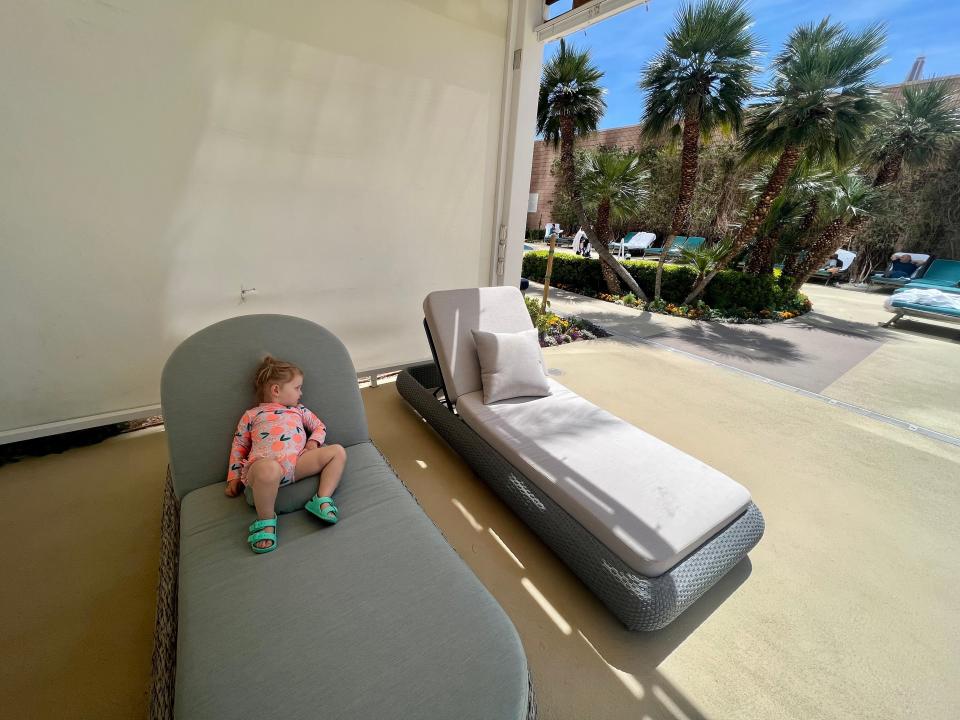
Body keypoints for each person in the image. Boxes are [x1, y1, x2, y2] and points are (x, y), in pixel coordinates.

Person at [226, 356, 347, 553]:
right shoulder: (252, 414)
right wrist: (234, 477)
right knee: (270, 470)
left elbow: (319, 426)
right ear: (276, 390)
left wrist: (312, 442)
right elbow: (239, 445)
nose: (301, 392)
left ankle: (322, 499)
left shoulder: (299, 410)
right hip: (264, 466)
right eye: (297, 388)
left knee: (338, 452)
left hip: (296, 463)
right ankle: (266, 521)